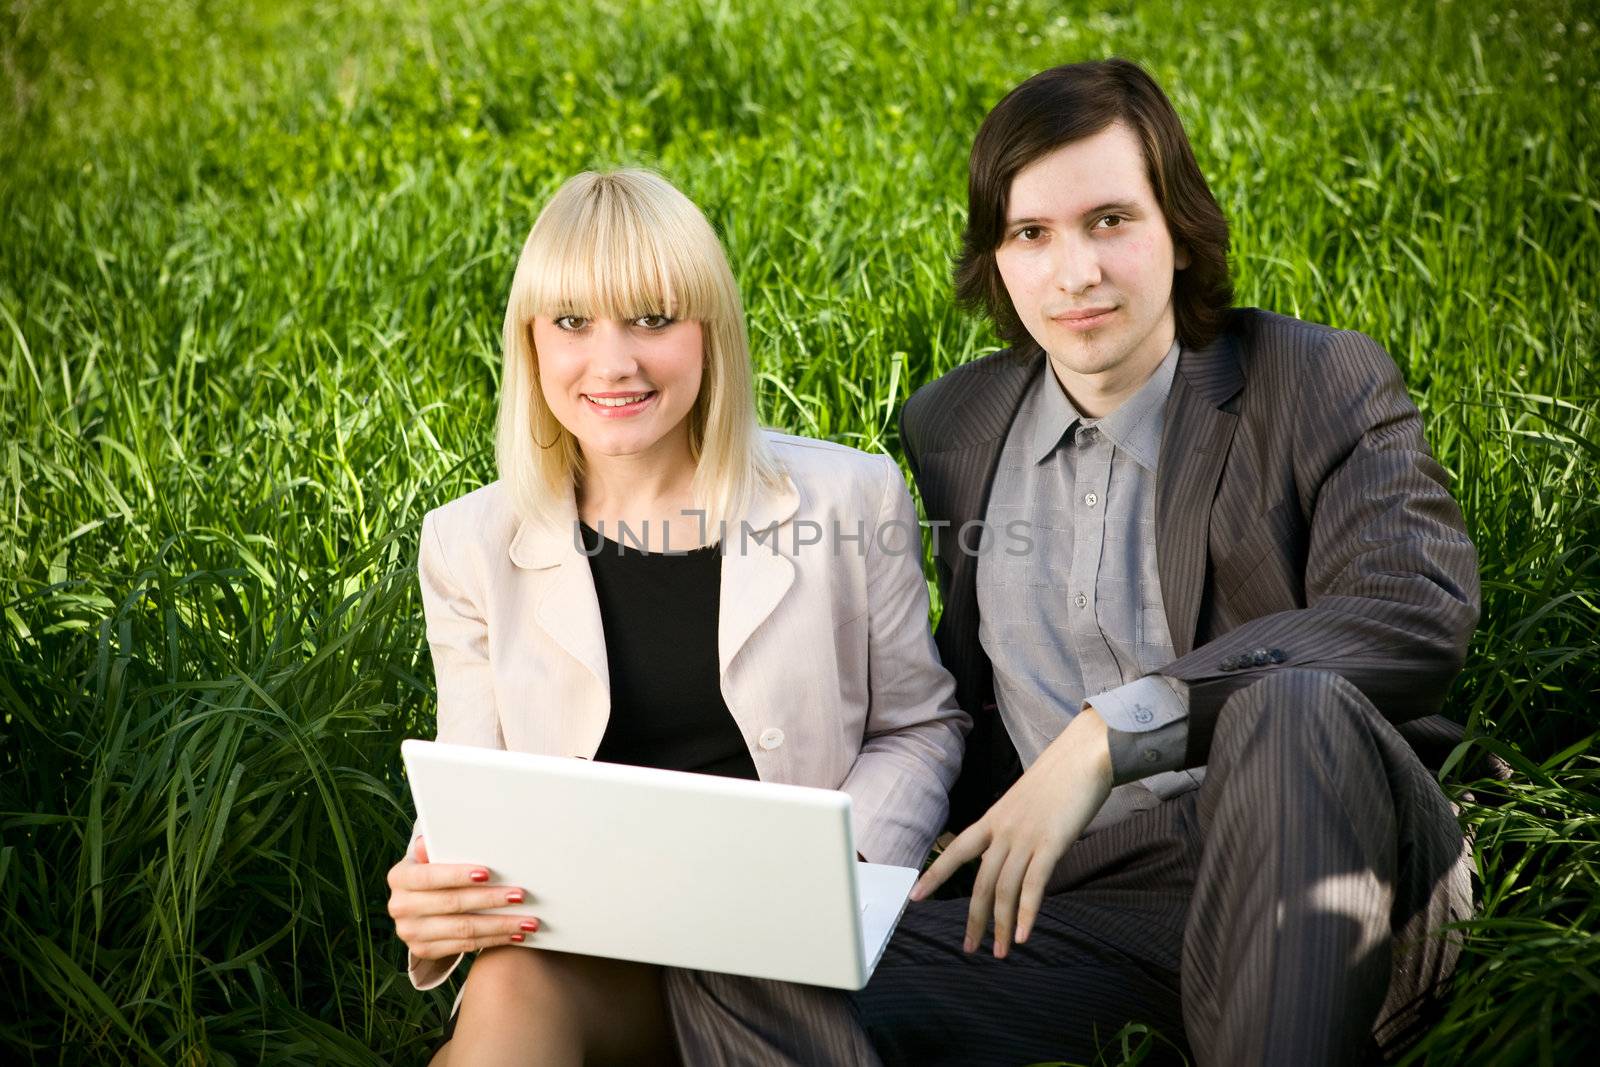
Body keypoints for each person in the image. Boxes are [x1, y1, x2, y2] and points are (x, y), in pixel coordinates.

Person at [670, 59, 1480, 1066]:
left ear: (1178, 228)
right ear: (996, 261)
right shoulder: (953, 426)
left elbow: (1410, 611)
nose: (1074, 270)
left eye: (1109, 220)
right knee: (737, 950)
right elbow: (941, 704)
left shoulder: (1314, 380)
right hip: (1080, 906)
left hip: (1321, 858)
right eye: (1031, 234)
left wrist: (1116, 727)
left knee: (1291, 705)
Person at [384, 168, 970, 1066]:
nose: (612, 363)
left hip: (785, 948)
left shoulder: (849, 496)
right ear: (531, 342)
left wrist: (834, 877)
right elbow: (475, 790)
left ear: (711, 332)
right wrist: (437, 897)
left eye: (652, 319)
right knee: (506, 986)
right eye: (572, 322)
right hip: (587, 952)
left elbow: (920, 727)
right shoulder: (466, 542)